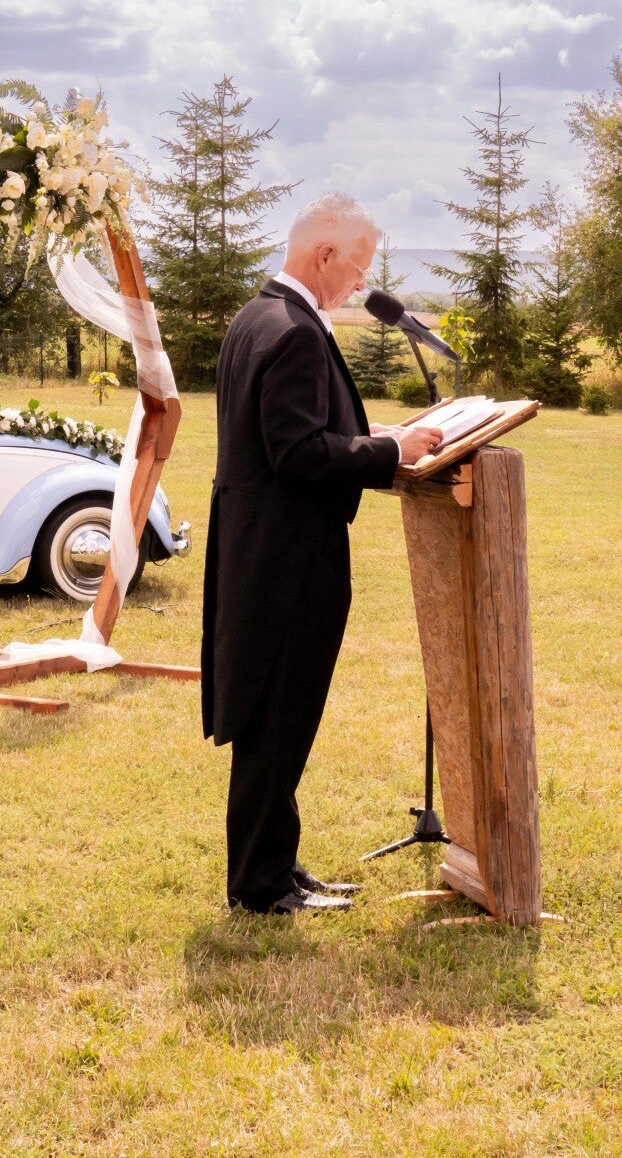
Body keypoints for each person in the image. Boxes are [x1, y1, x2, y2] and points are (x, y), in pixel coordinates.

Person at [200, 194, 444, 914]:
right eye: (358, 267)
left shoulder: (257, 316)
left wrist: (379, 436)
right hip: (289, 560)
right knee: (278, 718)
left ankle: (274, 863)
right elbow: (299, 453)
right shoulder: (295, 331)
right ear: (323, 254)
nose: (360, 286)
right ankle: (260, 884)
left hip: (259, 548)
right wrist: (392, 449)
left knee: (275, 717)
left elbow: (298, 429)